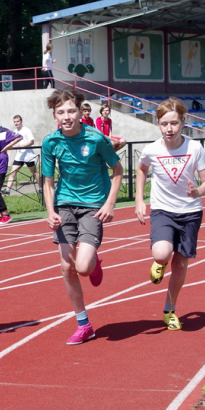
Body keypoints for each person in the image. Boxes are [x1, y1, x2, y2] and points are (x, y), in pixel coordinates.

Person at [41, 88, 123, 345]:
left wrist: (110, 204)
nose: (66, 116)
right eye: (61, 112)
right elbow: (47, 181)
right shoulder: (50, 142)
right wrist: (50, 211)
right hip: (64, 205)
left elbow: (118, 170)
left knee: (83, 268)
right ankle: (83, 324)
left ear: (80, 111)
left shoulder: (97, 138)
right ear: (54, 114)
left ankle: (95, 261)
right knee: (67, 268)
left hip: (92, 206)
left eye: (71, 110)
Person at [135, 98, 205, 331]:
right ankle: (159, 262)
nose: (169, 129)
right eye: (164, 124)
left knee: (180, 266)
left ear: (183, 123)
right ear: (158, 124)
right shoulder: (152, 149)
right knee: (162, 252)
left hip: (190, 213)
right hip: (163, 210)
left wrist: (197, 191)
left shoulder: (194, 148)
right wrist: (140, 200)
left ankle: (169, 309)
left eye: (174, 123)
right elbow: (141, 169)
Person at [5, 115, 41, 193]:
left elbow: (32, 141)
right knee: (12, 172)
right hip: (19, 156)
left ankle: (41, 188)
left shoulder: (26, 130)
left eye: (17, 121)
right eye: (15, 122)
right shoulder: (14, 132)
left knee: (34, 172)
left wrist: (21, 146)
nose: (16, 123)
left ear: (21, 121)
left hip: (28, 155)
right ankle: (7, 190)